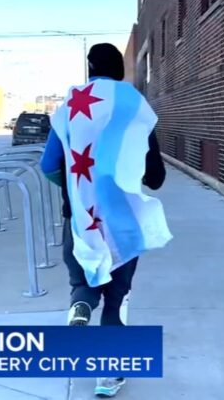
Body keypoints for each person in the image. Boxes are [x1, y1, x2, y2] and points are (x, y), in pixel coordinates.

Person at [40, 43, 170, 398]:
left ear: (90, 69)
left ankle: (81, 306)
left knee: (83, 280)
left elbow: (48, 165)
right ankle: (107, 376)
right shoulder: (133, 106)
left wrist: (75, 192)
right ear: (119, 70)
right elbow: (155, 176)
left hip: (80, 220)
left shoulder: (70, 108)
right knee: (116, 297)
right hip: (121, 222)